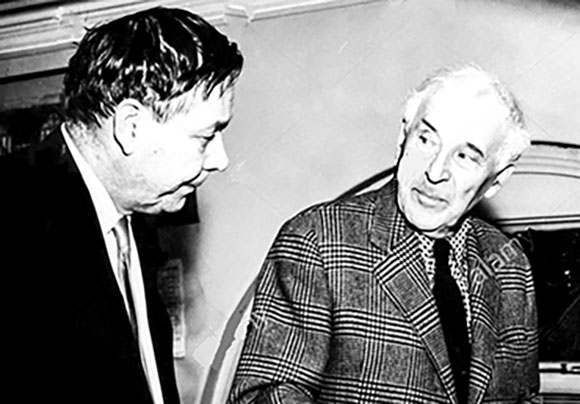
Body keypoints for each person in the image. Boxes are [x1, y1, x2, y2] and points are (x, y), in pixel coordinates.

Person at [228, 65, 538, 403]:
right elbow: (263, 396)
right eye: (426, 140)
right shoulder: (317, 239)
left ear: (497, 180)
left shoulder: (510, 264)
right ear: (402, 136)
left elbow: (525, 398)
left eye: (464, 156)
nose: (435, 172)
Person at [2, 6, 243, 404]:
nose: (221, 160)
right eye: (206, 136)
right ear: (131, 127)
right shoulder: (15, 217)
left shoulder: (135, 229)